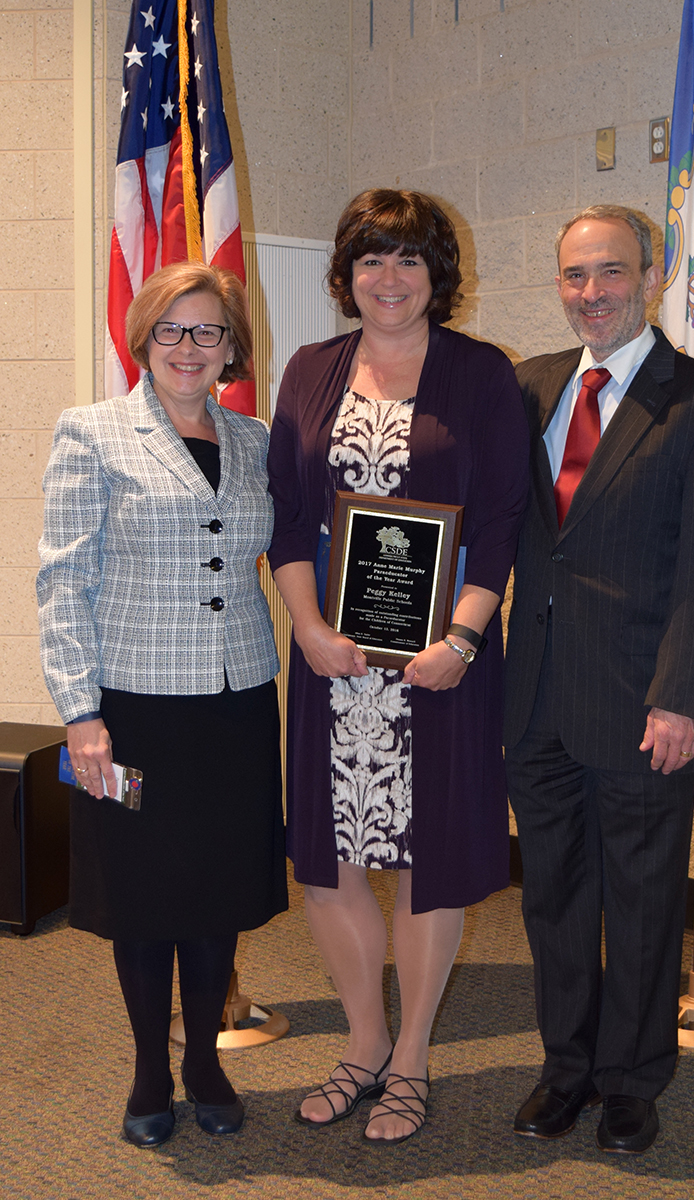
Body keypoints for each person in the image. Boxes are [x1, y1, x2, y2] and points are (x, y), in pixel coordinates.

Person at [267, 188, 528, 1145]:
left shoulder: (481, 373)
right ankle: (363, 1043)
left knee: (431, 862)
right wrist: (306, 629)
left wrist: (461, 641)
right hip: (333, 664)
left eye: (410, 259)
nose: (389, 278)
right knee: (330, 862)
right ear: (347, 273)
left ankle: (412, 1055)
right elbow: (290, 519)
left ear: (437, 275)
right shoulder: (308, 370)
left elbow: (500, 518)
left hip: (439, 666)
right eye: (372, 259)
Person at [504, 205, 694, 1153]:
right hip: (533, 700)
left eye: (611, 273)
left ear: (651, 275)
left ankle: (632, 1083)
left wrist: (687, 698)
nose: (591, 294)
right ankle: (565, 1069)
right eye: (575, 276)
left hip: (643, 702)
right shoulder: (525, 388)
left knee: (644, 901)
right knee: (554, 899)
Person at [37, 262, 288, 1148]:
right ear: (143, 341)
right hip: (133, 714)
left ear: (231, 345)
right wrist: (79, 713)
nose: (190, 348)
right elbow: (64, 583)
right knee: (142, 890)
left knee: (217, 887)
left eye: (208, 331)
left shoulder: (255, 437)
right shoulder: (92, 433)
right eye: (172, 331)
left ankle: (206, 1059)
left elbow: (294, 547)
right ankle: (150, 1064)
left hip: (237, 708)